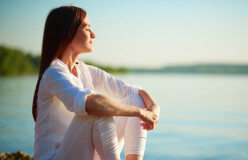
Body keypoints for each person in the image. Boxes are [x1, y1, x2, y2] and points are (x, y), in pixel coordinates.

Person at [32, 6, 160, 160]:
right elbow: (93, 104)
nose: (93, 35)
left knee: (135, 100)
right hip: (56, 157)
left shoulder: (86, 70)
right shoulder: (53, 73)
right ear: (68, 33)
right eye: (87, 29)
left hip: (86, 154)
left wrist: (153, 107)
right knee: (97, 109)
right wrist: (139, 113)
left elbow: (132, 91)